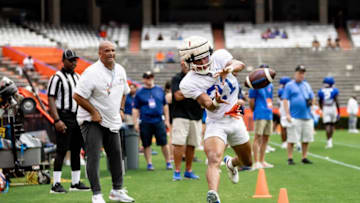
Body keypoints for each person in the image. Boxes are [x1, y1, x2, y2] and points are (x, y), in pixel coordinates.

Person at [178, 36, 252, 203]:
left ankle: (232, 164)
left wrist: (229, 69)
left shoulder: (219, 57)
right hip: (216, 121)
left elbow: (240, 64)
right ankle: (213, 195)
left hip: (235, 114)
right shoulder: (188, 82)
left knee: (248, 161)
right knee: (213, 157)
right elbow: (207, 104)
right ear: (189, 62)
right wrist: (216, 102)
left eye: (206, 56)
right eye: (198, 59)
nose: (204, 61)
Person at [73, 41, 135, 203]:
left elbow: (125, 92)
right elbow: (78, 95)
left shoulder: (120, 70)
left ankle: (117, 190)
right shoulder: (91, 72)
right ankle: (97, 195)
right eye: (107, 51)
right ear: (100, 53)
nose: (111, 53)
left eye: (113, 50)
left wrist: (121, 109)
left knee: (116, 154)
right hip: (92, 121)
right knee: (94, 156)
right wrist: (93, 112)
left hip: (112, 120)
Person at [47, 49, 89, 194]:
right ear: (63, 61)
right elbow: (51, 98)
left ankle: (75, 182)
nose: (74, 62)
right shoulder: (56, 77)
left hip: (77, 116)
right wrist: (57, 119)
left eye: (75, 60)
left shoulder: (78, 77)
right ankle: (55, 184)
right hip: (63, 116)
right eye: (71, 60)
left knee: (76, 150)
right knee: (62, 150)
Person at [132, 71, 172, 171]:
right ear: (143, 79)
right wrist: (135, 122)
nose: (149, 79)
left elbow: (165, 105)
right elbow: (135, 108)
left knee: (164, 142)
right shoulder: (140, 92)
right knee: (146, 144)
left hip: (158, 120)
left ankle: (168, 162)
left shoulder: (159, 90)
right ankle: (149, 163)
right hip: (145, 120)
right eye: (147, 77)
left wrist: (167, 119)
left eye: (150, 77)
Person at [171, 61, 203, 181]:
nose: (186, 66)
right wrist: (195, 91)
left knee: (192, 144)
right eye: (184, 64)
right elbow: (177, 96)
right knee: (179, 144)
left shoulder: (199, 78)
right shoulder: (177, 78)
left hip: (196, 115)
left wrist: (187, 91)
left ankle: (188, 171)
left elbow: (203, 94)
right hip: (180, 115)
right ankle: (177, 171)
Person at [282, 65, 314, 165]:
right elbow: (285, 99)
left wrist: (311, 103)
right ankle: (290, 158)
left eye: (303, 73)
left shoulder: (307, 85)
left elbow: (312, 96)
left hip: (307, 115)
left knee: (306, 138)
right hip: (295, 116)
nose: (302, 75)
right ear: (295, 73)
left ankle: (304, 157)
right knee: (291, 139)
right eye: (300, 73)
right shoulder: (289, 85)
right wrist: (287, 114)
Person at [249, 64, 274, 169]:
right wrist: (256, 110)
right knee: (257, 137)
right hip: (260, 113)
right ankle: (256, 161)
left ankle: (262, 160)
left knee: (266, 138)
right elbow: (251, 100)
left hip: (268, 113)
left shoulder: (270, 85)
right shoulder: (255, 84)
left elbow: (270, 99)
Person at [317, 77, 340, 148]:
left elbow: (320, 101)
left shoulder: (321, 91)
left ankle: (328, 141)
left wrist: (321, 109)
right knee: (332, 124)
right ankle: (330, 140)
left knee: (327, 125)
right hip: (332, 107)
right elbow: (337, 101)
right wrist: (338, 112)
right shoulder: (334, 90)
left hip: (326, 108)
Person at [278, 76, 292, 149]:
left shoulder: (281, 90)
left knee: (283, 126)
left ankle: (284, 142)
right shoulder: (290, 89)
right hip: (290, 106)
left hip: (283, 107)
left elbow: (280, 100)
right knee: (291, 125)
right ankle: (290, 141)